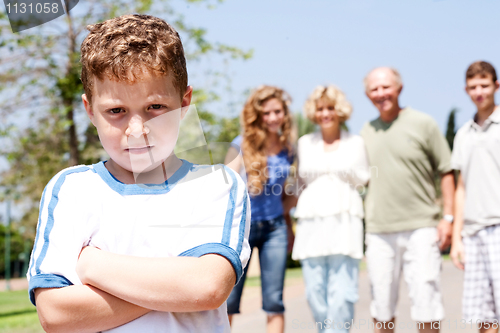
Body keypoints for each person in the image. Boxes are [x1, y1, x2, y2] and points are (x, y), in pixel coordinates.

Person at [26, 14, 251, 333]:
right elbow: (56, 314)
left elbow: (208, 287)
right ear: (90, 110)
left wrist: (94, 265)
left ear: (184, 103)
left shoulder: (217, 185)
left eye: (155, 107)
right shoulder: (71, 190)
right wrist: (178, 289)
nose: (136, 129)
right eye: (116, 111)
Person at [360, 67, 455, 333]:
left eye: (386, 87)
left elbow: (446, 170)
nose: (381, 94)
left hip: (421, 227)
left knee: (427, 305)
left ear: (399, 88)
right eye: (374, 89)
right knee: (381, 307)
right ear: (368, 95)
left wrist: (448, 217)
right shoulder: (365, 131)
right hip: (379, 231)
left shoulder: (424, 123)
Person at [291, 85, 369, 332]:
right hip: (311, 223)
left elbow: (363, 180)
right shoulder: (304, 143)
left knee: (342, 291)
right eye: (320, 108)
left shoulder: (355, 143)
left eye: (330, 108)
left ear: (340, 110)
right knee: (314, 291)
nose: (325, 113)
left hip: (345, 221)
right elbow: (297, 185)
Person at [225, 85, 295, 333]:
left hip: (275, 229)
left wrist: (286, 221)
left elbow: (290, 192)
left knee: (274, 300)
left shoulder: (289, 149)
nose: (274, 117)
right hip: (242, 229)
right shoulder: (240, 145)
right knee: (229, 301)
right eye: (267, 113)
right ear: (257, 116)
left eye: (278, 111)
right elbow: (227, 190)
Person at [450, 61, 500, 333]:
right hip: (473, 231)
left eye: (484, 85)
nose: (478, 91)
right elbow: (461, 187)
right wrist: (457, 237)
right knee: (483, 317)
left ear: (496, 86)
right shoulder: (463, 134)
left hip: (498, 226)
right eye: (472, 87)